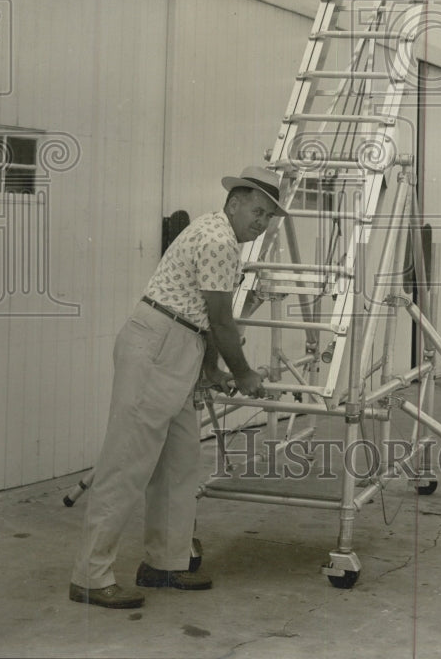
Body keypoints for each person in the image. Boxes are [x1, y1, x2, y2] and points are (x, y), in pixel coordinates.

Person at [69, 165, 285, 609]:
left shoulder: (222, 237)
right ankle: (90, 576)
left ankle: (164, 563)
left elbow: (202, 318)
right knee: (127, 464)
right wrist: (243, 373)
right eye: (257, 212)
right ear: (234, 202)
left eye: (267, 218)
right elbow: (222, 321)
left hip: (180, 342)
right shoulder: (219, 239)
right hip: (158, 344)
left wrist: (209, 369)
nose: (260, 223)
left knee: (180, 462)